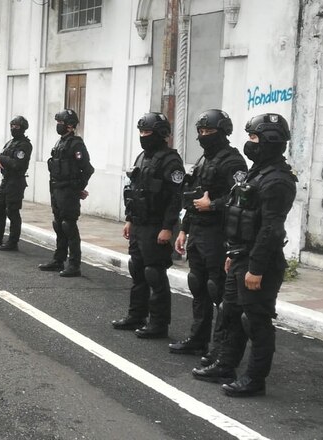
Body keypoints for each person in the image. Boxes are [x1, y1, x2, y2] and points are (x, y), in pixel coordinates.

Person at [192, 113, 297, 397]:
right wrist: (233, 252)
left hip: (258, 262)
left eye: (253, 137)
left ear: (270, 141)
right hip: (240, 256)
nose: (248, 143)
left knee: (256, 321)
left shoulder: (278, 181)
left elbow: (271, 231)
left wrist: (256, 268)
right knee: (231, 312)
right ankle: (225, 365)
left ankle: (254, 379)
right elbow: (240, 212)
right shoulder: (257, 172)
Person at [170, 110, 247, 360]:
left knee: (218, 291)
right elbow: (194, 197)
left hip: (218, 233)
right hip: (199, 232)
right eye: (201, 132)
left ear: (223, 132)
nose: (204, 136)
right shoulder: (204, 160)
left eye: (209, 132)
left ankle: (220, 348)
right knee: (198, 286)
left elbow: (240, 199)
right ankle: (198, 339)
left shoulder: (233, 162)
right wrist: (183, 230)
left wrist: (212, 206)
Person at [112, 112, 184, 339]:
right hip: (139, 224)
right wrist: (129, 220)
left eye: (148, 132)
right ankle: (136, 316)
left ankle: (158, 324)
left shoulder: (171, 161)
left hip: (157, 226)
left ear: (161, 134)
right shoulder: (142, 157)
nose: (143, 136)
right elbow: (133, 192)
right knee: (137, 270)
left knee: (155, 274)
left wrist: (167, 227)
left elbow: (175, 198)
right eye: (141, 132)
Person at [39, 109, 95, 277]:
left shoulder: (76, 144)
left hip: (68, 191)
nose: (58, 126)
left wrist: (78, 188)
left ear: (70, 126)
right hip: (56, 189)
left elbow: (87, 169)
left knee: (68, 226)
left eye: (61, 123)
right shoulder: (60, 142)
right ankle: (58, 260)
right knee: (58, 224)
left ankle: (74, 264)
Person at [0, 116, 32, 250]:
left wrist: (0, 158)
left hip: (16, 181)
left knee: (12, 212)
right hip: (6, 179)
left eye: (16, 126)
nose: (13, 129)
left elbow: (17, 164)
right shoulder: (10, 143)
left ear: (22, 128)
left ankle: (12, 242)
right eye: (12, 126)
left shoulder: (24, 145)